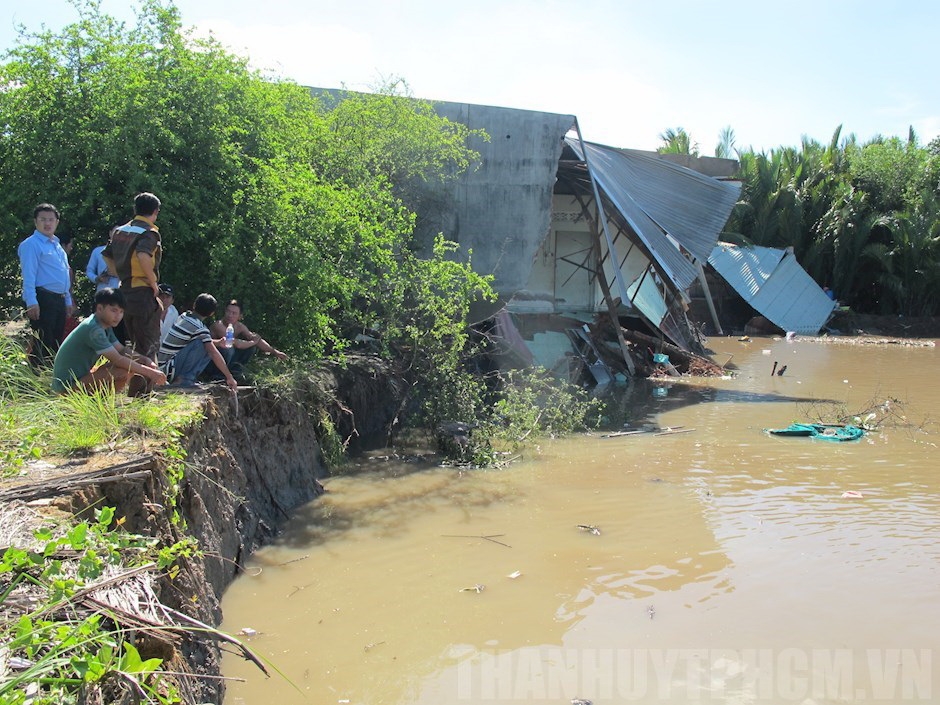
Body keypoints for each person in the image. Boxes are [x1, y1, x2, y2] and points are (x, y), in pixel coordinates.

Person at [52, 288, 167, 394]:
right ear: (100, 308)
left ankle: (98, 404)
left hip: (81, 379)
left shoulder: (104, 326)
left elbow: (122, 350)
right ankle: (99, 406)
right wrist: (150, 373)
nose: (118, 316)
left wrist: (145, 360)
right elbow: (117, 359)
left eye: (121, 312)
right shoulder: (93, 329)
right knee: (122, 372)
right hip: (66, 387)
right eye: (114, 310)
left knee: (130, 366)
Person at [102, 192, 163, 363]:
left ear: (135, 209)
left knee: (135, 345)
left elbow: (106, 255)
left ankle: (137, 387)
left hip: (125, 292)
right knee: (147, 347)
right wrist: (153, 283)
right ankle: (142, 390)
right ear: (156, 211)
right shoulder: (149, 232)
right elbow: (143, 255)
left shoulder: (121, 230)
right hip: (142, 293)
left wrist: (118, 272)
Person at [18, 203, 73, 368]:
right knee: (43, 342)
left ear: (57, 222)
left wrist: (68, 300)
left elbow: (63, 274)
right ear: (35, 222)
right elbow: (28, 274)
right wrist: (31, 301)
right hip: (42, 297)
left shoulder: (57, 245)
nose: (47, 223)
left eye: (51, 219)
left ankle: (50, 379)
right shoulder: (31, 244)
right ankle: (35, 382)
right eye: (43, 219)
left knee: (56, 341)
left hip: (59, 298)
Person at [158, 293, 238, 391]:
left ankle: (184, 378)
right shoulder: (199, 328)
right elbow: (213, 352)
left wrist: (218, 343)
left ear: (194, 305)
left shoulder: (184, 316)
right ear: (211, 313)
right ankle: (185, 380)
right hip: (167, 369)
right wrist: (229, 377)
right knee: (204, 346)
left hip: (163, 367)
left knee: (205, 343)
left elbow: (191, 339)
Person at [208, 299, 287, 378]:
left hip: (227, 360)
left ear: (240, 316)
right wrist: (253, 342)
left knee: (250, 347)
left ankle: (235, 372)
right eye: (228, 312)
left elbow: (256, 339)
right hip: (212, 361)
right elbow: (234, 342)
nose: (230, 315)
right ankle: (217, 375)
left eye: (234, 313)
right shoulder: (218, 325)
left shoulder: (240, 326)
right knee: (229, 348)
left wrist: (276, 352)